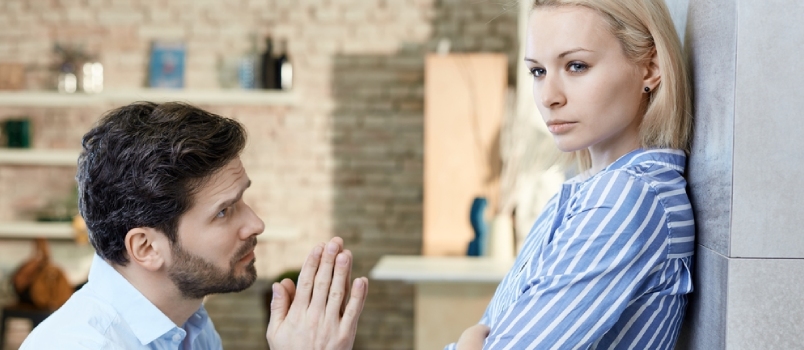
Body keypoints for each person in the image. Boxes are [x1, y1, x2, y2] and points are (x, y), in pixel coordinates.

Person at [442, 0, 694, 348]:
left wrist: (469, 339)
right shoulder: (587, 190)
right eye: (537, 71)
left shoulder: (625, 198)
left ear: (650, 67)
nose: (548, 97)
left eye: (576, 66)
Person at [20, 101, 367, 349]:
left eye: (242, 201)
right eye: (223, 212)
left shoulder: (189, 326)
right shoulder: (78, 344)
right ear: (146, 248)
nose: (256, 224)